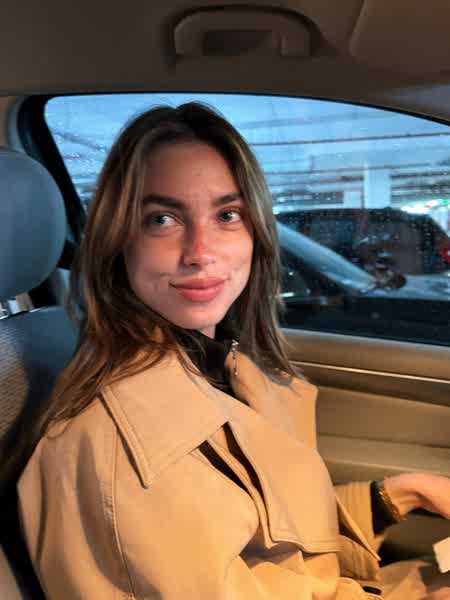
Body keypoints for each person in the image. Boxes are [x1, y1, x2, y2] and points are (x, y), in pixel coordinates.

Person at [17, 102, 450, 599]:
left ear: (256, 230)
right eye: (162, 219)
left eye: (227, 215)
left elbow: (274, 539)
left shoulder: (216, 362)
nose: (201, 251)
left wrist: (404, 493)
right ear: (118, 241)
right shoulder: (125, 455)